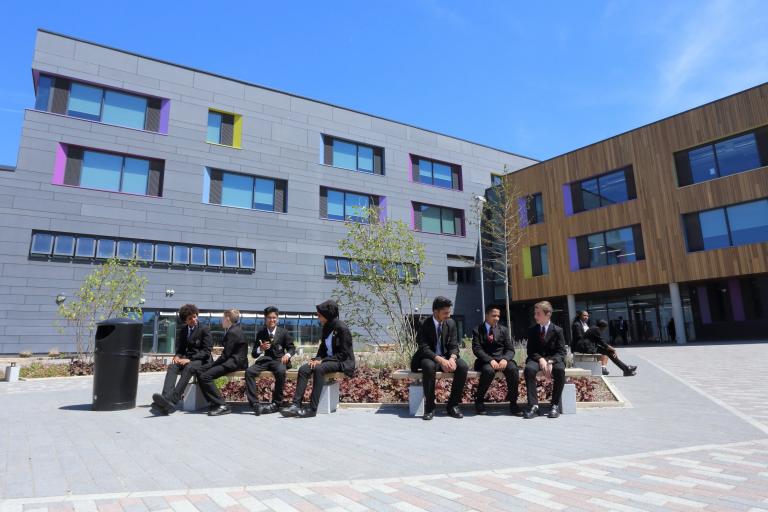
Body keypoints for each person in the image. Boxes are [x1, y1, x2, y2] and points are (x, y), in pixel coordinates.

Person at [280, 300, 355, 418]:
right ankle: (295, 405)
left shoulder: (342, 328)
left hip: (342, 361)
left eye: (319, 315)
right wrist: (316, 358)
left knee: (319, 369)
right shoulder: (326, 327)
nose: (317, 317)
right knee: (304, 369)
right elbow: (322, 348)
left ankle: (312, 409)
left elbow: (344, 354)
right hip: (327, 360)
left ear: (327, 315)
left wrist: (322, 361)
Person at [410, 296, 469, 420]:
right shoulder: (423, 324)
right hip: (429, 357)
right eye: (445, 313)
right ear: (435, 312)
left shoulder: (450, 323)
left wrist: (452, 358)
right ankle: (430, 407)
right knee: (428, 366)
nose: (448, 315)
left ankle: (452, 405)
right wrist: (441, 360)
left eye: (449, 312)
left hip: (446, 357)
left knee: (463, 366)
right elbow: (424, 348)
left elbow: (454, 345)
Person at [152, 304, 212, 415]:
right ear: (185, 320)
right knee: (172, 366)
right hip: (188, 358)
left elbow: (207, 351)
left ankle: (173, 401)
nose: (194, 319)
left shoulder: (204, 329)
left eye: (195, 316)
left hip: (202, 360)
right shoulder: (183, 330)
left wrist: (189, 360)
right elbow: (181, 348)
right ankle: (165, 399)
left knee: (188, 368)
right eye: (190, 318)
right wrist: (177, 356)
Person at [196, 309, 248, 416]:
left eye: (222, 318)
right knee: (200, 372)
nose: (221, 321)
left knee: (205, 376)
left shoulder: (233, 332)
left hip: (235, 363)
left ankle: (222, 405)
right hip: (234, 361)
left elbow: (225, 356)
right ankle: (213, 402)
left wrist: (211, 365)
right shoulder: (235, 329)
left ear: (227, 319)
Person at [244, 306, 296, 415]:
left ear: (277, 318)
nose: (272, 320)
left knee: (281, 371)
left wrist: (287, 355)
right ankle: (255, 404)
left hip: (279, 360)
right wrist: (260, 348)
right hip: (265, 360)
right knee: (249, 372)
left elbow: (292, 348)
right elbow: (254, 354)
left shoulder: (284, 332)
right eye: (269, 318)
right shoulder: (261, 333)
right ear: (265, 319)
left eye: (274, 318)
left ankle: (276, 403)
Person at [471, 304, 519, 415]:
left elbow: (510, 349)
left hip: (502, 360)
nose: (497, 318)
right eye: (494, 315)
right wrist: (489, 360)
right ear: (486, 315)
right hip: (485, 361)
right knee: (488, 371)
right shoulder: (477, 330)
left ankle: (513, 403)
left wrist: (505, 359)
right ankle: (479, 401)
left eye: (498, 316)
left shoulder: (503, 330)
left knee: (513, 369)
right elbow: (477, 349)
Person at [523, 301, 567, 419]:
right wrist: (541, 359)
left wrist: (551, 362)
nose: (535, 316)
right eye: (535, 313)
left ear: (548, 315)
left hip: (553, 359)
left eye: (538, 314)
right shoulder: (533, 330)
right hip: (536, 358)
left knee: (560, 371)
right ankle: (533, 406)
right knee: (529, 370)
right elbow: (530, 351)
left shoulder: (558, 330)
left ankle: (554, 405)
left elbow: (562, 352)